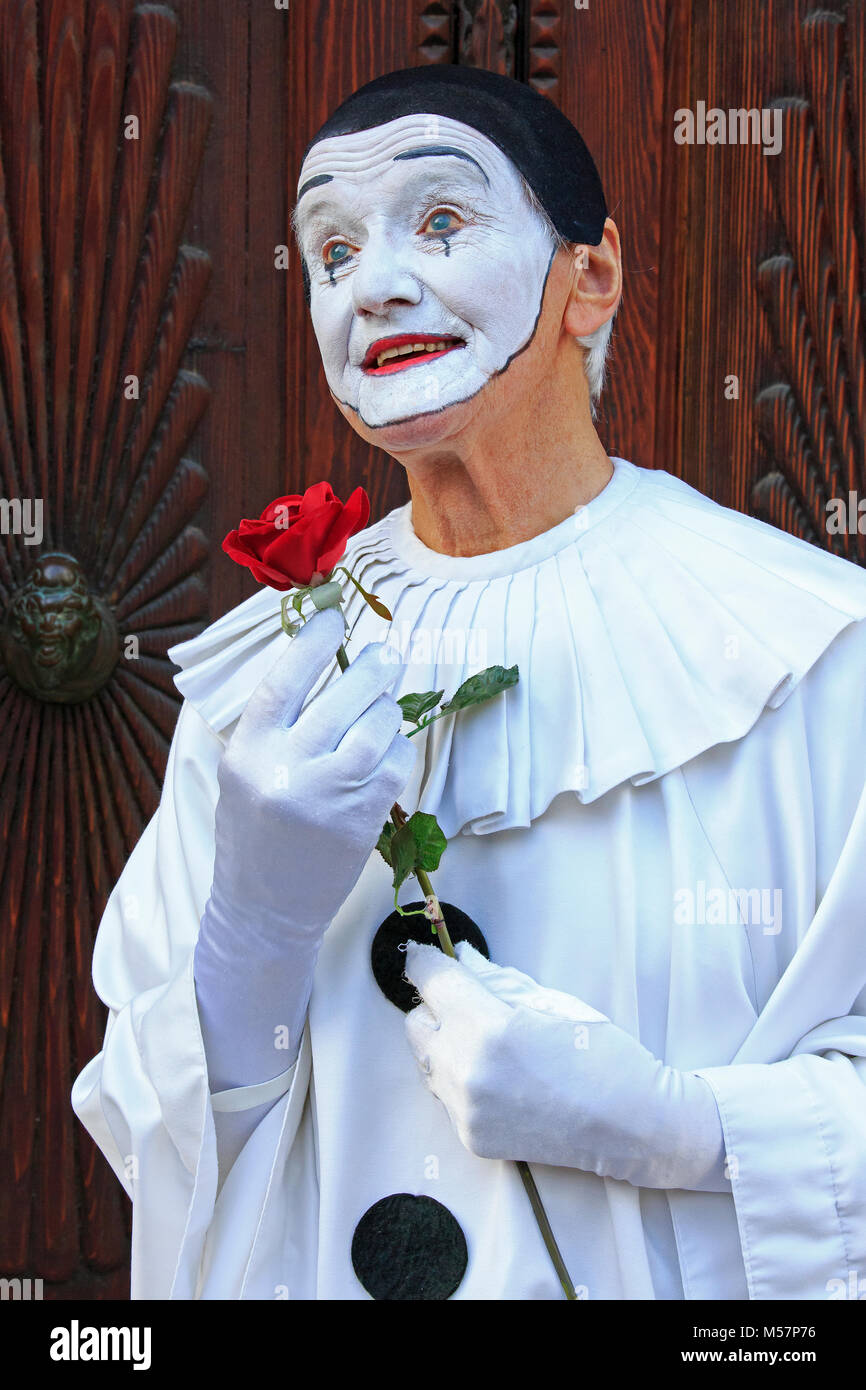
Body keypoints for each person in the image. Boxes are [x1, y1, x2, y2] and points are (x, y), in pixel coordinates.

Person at [73, 65, 866, 1300]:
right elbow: (152, 1132)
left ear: (586, 278)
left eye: (439, 223)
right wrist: (251, 936)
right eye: (329, 251)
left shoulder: (808, 656)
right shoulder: (266, 684)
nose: (371, 283)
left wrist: (673, 1125)